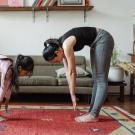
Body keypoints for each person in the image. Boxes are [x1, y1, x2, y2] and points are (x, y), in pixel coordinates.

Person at [42, 27, 114, 122]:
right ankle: (91, 112)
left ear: (57, 52)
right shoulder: (61, 48)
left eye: (54, 61)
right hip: (95, 43)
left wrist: (73, 94)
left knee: (101, 79)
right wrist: (72, 95)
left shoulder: (66, 45)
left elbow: (72, 72)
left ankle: (94, 114)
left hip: (102, 38)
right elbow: (68, 73)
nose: (56, 63)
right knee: (96, 79)